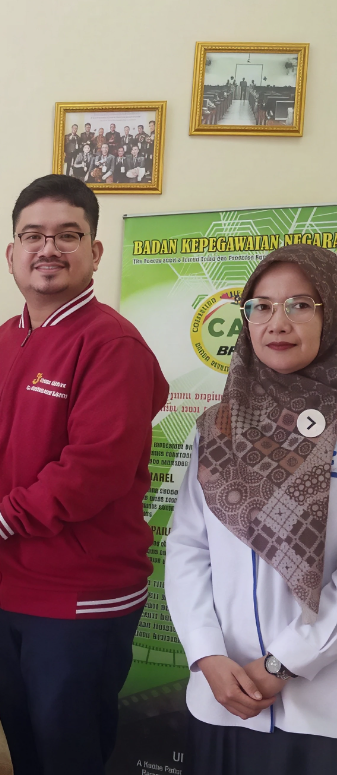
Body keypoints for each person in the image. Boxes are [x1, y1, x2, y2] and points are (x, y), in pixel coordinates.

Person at [0, 174, 168, 775]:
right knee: (11, 746)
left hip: (78, 598)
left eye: (67, 235)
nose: (48, 248)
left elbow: (90, 474)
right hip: (3, 587)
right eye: (33, 236)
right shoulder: (3, 342)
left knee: (66, 753)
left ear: (95, 252)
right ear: (11, 253)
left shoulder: (112, 346)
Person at [166, 245, 337, 774]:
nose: (277, 322)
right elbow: (188, 545)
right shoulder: (218, 425)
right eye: (260, 306)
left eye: (300, 304)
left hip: (323, 708)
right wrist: (206, 654)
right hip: (223, 695)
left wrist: (286, 662)